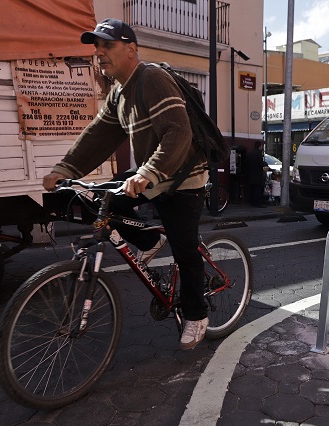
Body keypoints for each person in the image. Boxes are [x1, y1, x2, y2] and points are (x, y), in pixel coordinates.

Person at [42, 18, 208, 350]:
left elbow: (179, 132)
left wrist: (148, 173)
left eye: (107, 45)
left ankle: (197, 314)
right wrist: (65, 168)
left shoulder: (153, 78)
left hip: (183, 178)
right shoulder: (119, 93)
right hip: (151, 175)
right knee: (98, 200)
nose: (99, 53)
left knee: (185, 250)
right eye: (96, 47)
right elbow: (97, 136)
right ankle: (147, 242)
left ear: (130, 49)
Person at [247, 141, 268, 207]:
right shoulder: (259, 154)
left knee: (252, 189)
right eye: (261, 146)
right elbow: (261, 163)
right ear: (259, 146)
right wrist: (265, 164)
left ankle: (252, 202)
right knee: (257, 189)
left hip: (250, 174)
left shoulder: (250, 153)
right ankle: (257, 203)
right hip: (257, 175)